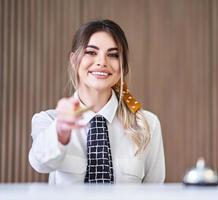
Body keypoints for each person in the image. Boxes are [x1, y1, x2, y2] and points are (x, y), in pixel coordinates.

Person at [29, 19, 165, 184]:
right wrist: (60, 132)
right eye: (91, 52)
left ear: (123, 66)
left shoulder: (148, 124)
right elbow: (39, 163)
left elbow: (155, 192)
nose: (102, 62)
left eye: (113, 55)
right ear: (74, 60)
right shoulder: (49, 121)